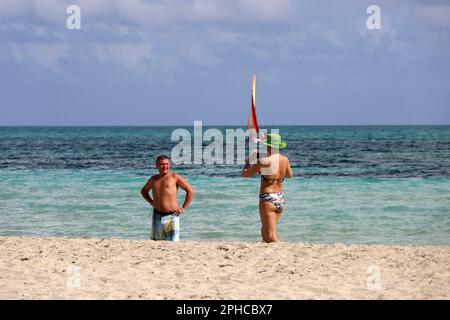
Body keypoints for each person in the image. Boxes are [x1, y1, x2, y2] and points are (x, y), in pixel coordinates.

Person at [242, 134, 293, 243]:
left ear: (269, 147)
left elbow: (245, 174)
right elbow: (289, 175)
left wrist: (250, 158)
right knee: (266, 234)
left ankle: (283, 250)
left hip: (268, 198)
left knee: (270, 236)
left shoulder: (264, 161)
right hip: (280, 198)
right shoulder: (285, 159)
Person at [141, 155, 195, 241]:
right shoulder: (153, 179)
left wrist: (183, 208)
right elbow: (143, 191)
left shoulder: (175, 177)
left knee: (173, 243)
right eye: (162, 164)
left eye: (167, 164)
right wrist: (151, 202)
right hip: (157, 215)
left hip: (172, 215)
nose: (165, 166)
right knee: (156, 243)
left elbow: (190, 191)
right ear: (157, 165)